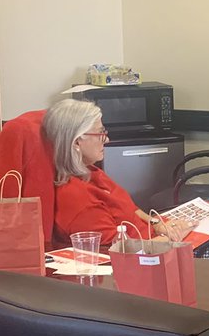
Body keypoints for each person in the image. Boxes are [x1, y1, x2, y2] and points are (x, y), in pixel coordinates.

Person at [43, 98, 161, 244]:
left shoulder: (91, 172)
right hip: (143, 256)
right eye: (100, 134)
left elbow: (130, 208)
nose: (106, 140)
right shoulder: (76, 198)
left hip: (153, 238)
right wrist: (173, 240)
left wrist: (158, 224)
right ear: (76, 142)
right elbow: (123, 250)